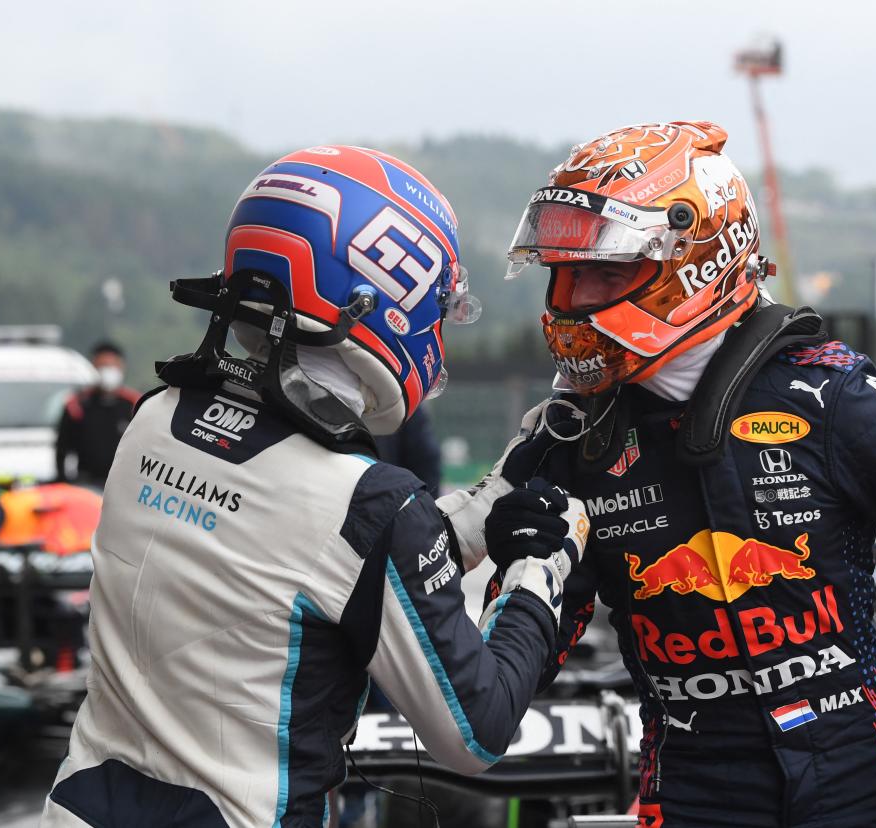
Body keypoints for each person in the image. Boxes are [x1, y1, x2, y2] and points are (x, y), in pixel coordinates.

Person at [440, 121, 876, 827]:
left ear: (695, 260)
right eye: (562, 274)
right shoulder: (569, 441)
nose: (571, 300)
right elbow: (511, 683)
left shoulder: (831, 398)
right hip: (692, 795)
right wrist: (520, 571)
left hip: (863, 786)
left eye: (603, 271)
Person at [40, 146, 588, 828]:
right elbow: (475, 731)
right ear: (384, 297)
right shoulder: (367, 501)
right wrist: (543, 568)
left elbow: (297, 560)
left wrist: (478, 508)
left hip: (79, 807)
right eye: (438, 308)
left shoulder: (153, 419)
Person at [54, 341, 142, 487]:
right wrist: (63, 482)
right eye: (102, 366)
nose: (107, 371)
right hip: (86, 482)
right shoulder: (76, 405)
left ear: (121, 367)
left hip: (124, 483)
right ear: (93, 368)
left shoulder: (135, 404)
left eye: (111, 366)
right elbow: (62, 449)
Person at [375, 407, 442, 495]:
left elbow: (426, 459)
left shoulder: (406, 408)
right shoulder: (404, 404)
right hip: (390, 496)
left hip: (389, 495)